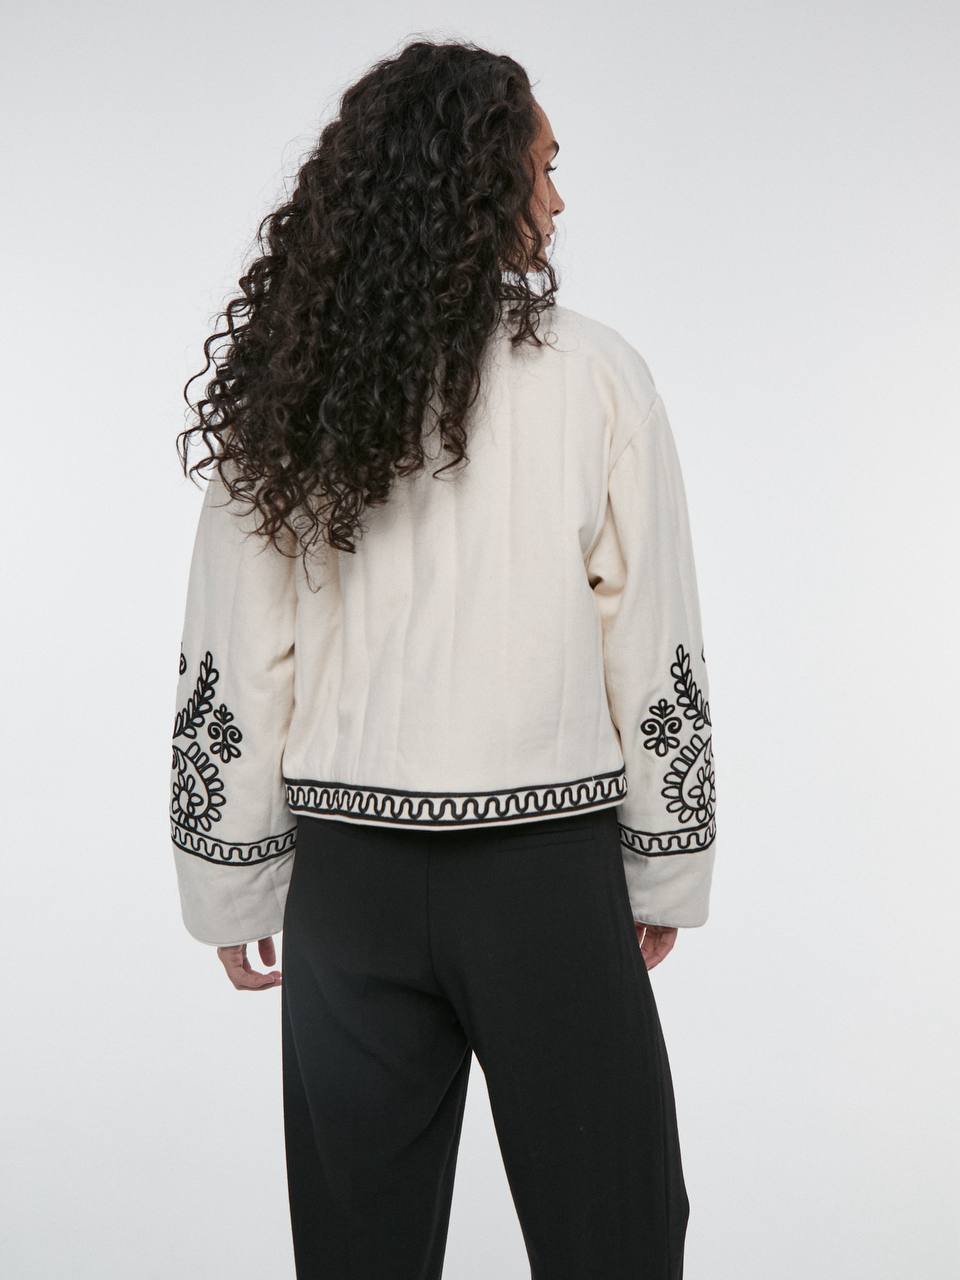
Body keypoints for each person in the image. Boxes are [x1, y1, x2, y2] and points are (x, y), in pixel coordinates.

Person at [169, 37, 717, 1280]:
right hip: (545, 880)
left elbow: (238, 650)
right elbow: (653, 636)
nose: (558, 198)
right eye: (543, 167)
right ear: (479, 180)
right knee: (617, 1237)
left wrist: (231, 880)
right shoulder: (597, 378)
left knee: (357, 1250)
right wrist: (664, 863)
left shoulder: (294, 388)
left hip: (348, 891)